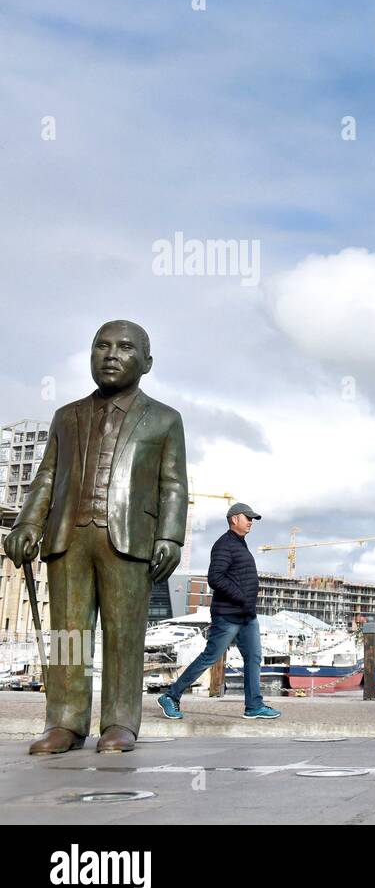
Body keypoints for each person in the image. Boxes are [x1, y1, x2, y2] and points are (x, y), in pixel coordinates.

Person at [2, 321, 187, 754]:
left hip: (129, 540)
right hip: (68, 536)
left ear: (147, 362)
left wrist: (171, 537)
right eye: (101, 346)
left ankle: (120, 721)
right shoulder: (66, 416)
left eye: (125, 347)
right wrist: (28, 524)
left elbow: (173, 484)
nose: (111, 354)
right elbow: (46, 475)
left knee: (124, 634)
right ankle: (64, 722)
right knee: (69, 633)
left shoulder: (164, 419)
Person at [158, 503, 280, 720]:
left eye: (252, 519)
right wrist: (241, 596)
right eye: (248, 518)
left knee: (254, 658)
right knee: (210, 657)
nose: (251, 521)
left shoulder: (240, 544)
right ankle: (171, 695)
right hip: (229, 615)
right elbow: (216, 578)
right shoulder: (224, 544)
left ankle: (253, 706)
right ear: (234, 519)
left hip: (246, 616)